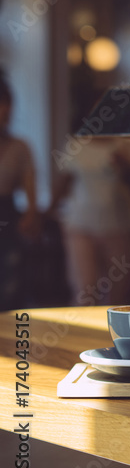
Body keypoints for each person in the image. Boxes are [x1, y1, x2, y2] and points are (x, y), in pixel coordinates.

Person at [56, 137, 130, 306]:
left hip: (120, 225)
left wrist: (126, 164)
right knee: (85, 289)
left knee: (117, 292)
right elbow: (66, 181)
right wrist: (47, 212)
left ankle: (112, 331)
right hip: (81, 224)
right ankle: (83, 330)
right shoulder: (76, 145)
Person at [0, 70, 41, 309]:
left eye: (6, 104)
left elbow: (30, 184)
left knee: (10, 284)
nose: (4, 110)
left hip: (6, 214)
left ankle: (10, 342)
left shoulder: (19, 147)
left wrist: (32, 214)